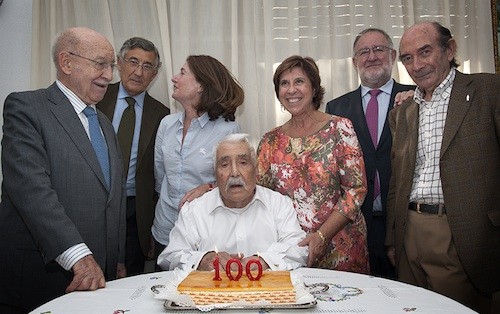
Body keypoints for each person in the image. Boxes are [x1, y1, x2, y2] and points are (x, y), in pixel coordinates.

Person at [0, 27, 126, 313]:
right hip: (42, 279)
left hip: (97, 280)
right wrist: (78, 256)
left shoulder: (104, 123)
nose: (109, 75)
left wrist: (115, 260)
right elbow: (32, 191)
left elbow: (112, 198)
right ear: (67, 62)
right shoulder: (26, 108)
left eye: (111, 65)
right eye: (100, 63)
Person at [386, 21, 500, 313]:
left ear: (449, 50)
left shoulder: (489, 90)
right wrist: (392, 238)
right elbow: (396, 181)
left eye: (425, 52)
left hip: (463, 233)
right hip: (410, 232)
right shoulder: (405, 111)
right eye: (407, 58)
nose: (416, 64)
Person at [257, 55, 369, 273]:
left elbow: (355, 191)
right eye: (284, 83)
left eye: (299, 81)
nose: (291, 90)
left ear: (314, 88)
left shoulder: (340, 128)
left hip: (341, 245)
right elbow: (258, 193)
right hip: (292, 250)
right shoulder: (270, 141)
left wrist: (321, 236)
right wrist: (208, 188)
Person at [325, 28, 415, 278]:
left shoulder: (416, 97)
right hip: (356, 223)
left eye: (379, 49)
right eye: (364, 51)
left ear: (393, 54)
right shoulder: (336, 108)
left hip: (403, 221)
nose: (372, 56)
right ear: (354, 61)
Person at [158, 133, 307, 271]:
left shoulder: (279, 204)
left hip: (268, 297)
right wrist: (202, 260)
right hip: (212, 297)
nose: (234, 172)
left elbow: (299, 250)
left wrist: (265, 261)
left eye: (243, 162)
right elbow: (170, 257)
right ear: (215, 173)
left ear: (256, 170)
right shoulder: (194, 211)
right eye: (225, 165)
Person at [152, 55, 243, 266]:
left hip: (204, 237)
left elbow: (237, 185)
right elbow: (160, 176)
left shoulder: (228, 130)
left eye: (182, 73)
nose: (174, 78)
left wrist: (209, 186)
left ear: (201, 85)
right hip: (164, 231)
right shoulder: (166, 124)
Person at [97, 37, 170, 276]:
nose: (139, 72)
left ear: (155, 72)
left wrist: (150, 227)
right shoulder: (95, 98)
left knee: (130, 279)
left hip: (134, 212)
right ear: (119, 63)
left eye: (147, 66)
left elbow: (159, 176)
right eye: (133, 62)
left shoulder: (162, 115)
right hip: (94, 202)